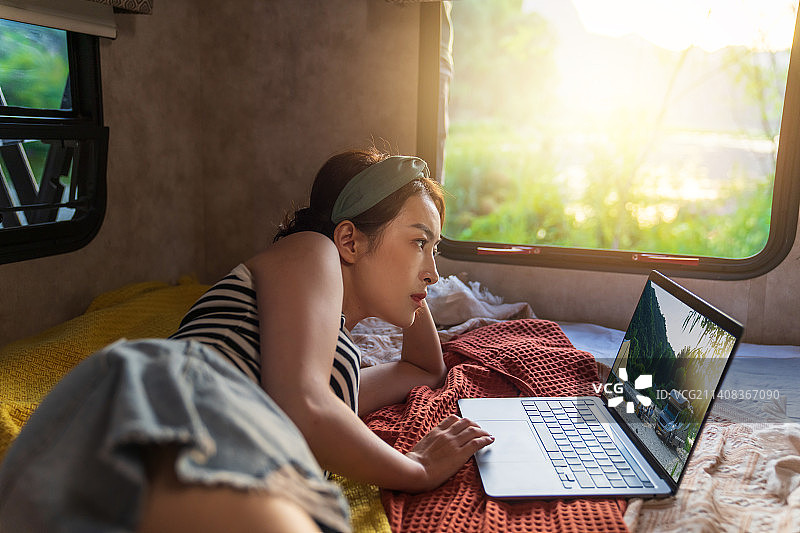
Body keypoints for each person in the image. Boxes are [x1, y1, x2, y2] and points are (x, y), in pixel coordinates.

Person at [0, 148, 494, 533]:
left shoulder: (325, 363)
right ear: (348, 240)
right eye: (419, 242)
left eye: (435, 249)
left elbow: (422, 369)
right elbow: (304, 406)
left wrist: (412, 284)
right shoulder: (312, 252)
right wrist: (417, 468)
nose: (434, 272)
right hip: (177, 411)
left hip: (241, 455)